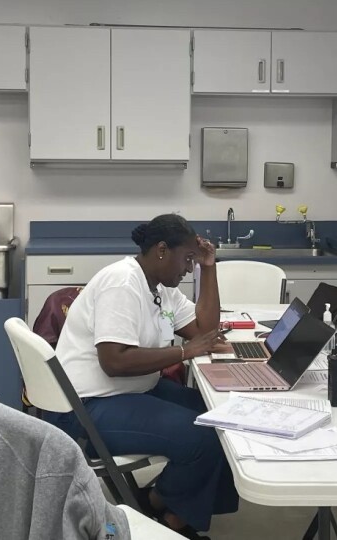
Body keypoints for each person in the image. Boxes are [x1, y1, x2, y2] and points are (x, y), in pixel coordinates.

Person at [48, 214, 239, 539]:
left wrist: (209, 267)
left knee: (223, 420)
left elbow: (205, 332)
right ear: (162, 250)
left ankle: (157, 500)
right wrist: (183, 352)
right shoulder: (122, 283)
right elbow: (115, 361)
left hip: (128, 389)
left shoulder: (160, 289)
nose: (187, 267)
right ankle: (171, 519)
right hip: (86, 406)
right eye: (187, 259)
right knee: (205, 438)